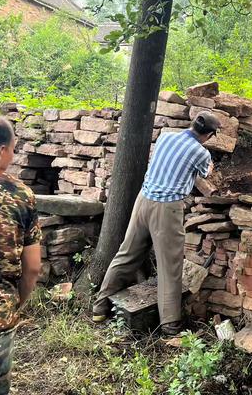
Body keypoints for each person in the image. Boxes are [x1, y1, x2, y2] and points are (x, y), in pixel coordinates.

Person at [93, 111, 220, 335]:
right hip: (167, 207)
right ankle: (170, 325)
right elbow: (205, 174)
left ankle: (100, 306)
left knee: (126, 254)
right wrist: (210, 165)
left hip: (143, 201)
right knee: (169, 266)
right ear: (209, 135)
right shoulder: (200, 152)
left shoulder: (165, 136)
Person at [0, 114, 42, 395]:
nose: (14, 154)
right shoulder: (21, 195)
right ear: (1, 151)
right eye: (14, 148)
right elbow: (32, 268)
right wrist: (15, 303)